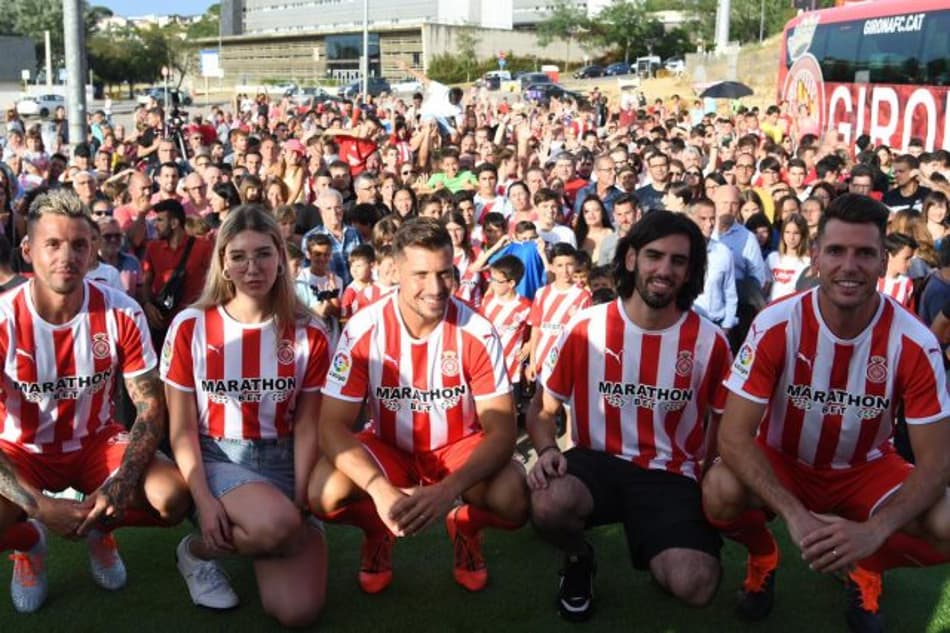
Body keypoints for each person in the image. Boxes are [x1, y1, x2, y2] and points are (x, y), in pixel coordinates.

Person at [702, 194, 950, 632]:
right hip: (784, 460)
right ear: (815, 257)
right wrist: (795, 516)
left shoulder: (915, 342)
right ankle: (764, 555)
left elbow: (937, 462)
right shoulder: (777, 324)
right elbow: (734, 436)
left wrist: (875, 530)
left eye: (865, 253)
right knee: (719, 490)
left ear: (881, 262)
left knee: (947, 520)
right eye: (836, 251)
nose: (849, 265)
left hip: (864, 468)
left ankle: (865, 565)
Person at [527, 210, 731, 621]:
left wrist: (711, 474)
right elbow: (542, 409)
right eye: (654, 255)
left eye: (678, 261)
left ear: (690, 271)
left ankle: (662, 546)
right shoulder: (586, 327)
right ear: (632, 258)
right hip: (595, 460)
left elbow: (723, 424)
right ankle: (578, 558)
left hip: (670, 474)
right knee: (548, 502)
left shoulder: (711, 341)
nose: (665, 270)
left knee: (696, 585)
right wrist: (547, 448)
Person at [308, 218, 528, 594]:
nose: (435, 288)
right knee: (323, 493)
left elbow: (503, 430)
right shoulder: (364, 328)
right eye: (421, 274)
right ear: (394, 271)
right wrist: (379, 490)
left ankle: (466, 526)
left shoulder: (477, 329)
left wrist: (449, 492)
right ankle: (378, 529)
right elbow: (331, 425)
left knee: (514, 500)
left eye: (445, 274)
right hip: (390, 448)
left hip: (458, 448)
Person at [0, 189, 189, 613]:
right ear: (28, 250)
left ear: (93, 251)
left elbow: (151, 407)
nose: (67, 255)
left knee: (172, 497)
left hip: (95, 444)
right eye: (53, 244)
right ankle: (29, 543)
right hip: (19, 450)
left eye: (79, 244)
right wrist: (39, 507)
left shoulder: (121, 311)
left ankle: (100, 528)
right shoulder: (3, 317)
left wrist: (120, 486)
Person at [162, 204, 329, 625]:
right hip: (221, 459)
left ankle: (277, 530)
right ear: (223, 262)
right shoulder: (190, 326)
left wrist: (301, 494)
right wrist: (202, 497)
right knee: (275, 525)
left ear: (281, 259)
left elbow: (309, 422)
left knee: (297, 613)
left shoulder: (310, 331)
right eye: (238, 256)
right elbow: (180, 428)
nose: (252, 267)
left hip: (287, 456)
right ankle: (197, 552)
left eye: (263, 254)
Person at [525, 243, 592, 383]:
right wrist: (532, 362)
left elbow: (585, 335)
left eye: (569, 264)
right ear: (552, 267)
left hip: (567, 364)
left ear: (575, 265)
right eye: (560, 265)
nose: (565, 270)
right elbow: (536, 329)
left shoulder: (583, 296)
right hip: (541, 363)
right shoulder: (542, 293)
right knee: (541, 403)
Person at [765, 213, 810, 302]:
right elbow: (765, 289)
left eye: (796, 233)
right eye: (787, 232)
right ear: (782, 234)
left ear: (803, 235)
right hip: (771, 308)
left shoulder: (808, 262)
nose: (791, 237)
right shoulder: (772, 258)